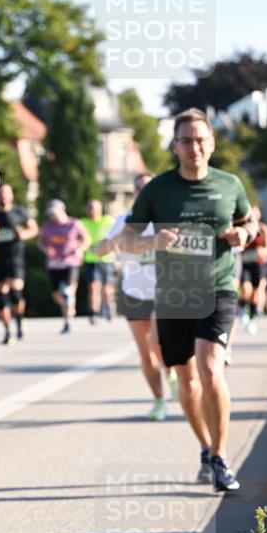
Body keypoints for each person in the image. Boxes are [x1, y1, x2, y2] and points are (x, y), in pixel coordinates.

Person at [120, 108, 257, 492]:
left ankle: (221, 456)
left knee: (211, 367)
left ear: (211, 144)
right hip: (173, 295)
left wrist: (245, 236)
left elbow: (250, 222)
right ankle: (206, 446)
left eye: (200, 139)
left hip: (217, 287)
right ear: (175, 146)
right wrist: (152, 241)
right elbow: (126, 240)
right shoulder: (157, 190)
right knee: (186, 379)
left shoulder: (229, 185)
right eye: (186, 140)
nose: (194, 147)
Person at [96, 173, 174, 421]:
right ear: (134, 192)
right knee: (145, 351)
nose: (144, 191)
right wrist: (115, 241)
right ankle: (160, 400)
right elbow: (100, 250)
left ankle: (171, 371)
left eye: (148, 187)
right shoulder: (123, 220)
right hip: (133, 291)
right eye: (139, 187)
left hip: (163, 291)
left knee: (157, 341)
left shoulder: (165, 219)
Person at [0, 182, 38, 344]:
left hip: (15, 259)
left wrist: (24, 234)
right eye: (0, 193)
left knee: (15, 294)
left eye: (6, 193)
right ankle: (7, 331)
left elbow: (34, 229)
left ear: (11, 195)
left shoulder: (20, 212)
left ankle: (19, 320)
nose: (3, 196)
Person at [37, 198, 90, 333]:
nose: (51, 216)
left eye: (53, 213)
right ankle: (68, 307)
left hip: (70, 261)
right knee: (57, 295)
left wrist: (80, 249)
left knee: (67, 291)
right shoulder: (48, 226)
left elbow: (86, 239)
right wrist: (46, 250)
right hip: (54, 263)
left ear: (62, 210)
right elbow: (41, 242)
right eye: (50, 214)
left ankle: (67, 321)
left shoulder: (74, 224)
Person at [237, 205, 267, 335]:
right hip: (245, 264)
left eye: (255, 214)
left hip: (259, 265)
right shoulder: (242, 229)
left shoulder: (263, 230)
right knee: (246, 290)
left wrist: (260, 251)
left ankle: (251, 318)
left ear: (259, 215)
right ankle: (243, 309)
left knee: (257, 293)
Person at [81, 198, 116, 322]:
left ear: (100, 209)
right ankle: (94, 312)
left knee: (107, 288)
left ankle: (108, 306)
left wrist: (118, 256)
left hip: (107, 259)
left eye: (94, 209)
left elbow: (117, 238)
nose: (92, 211)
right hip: (91, 260)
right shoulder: (82, 223)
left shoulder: (109, 221)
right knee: (93, 287)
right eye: (89, 208)